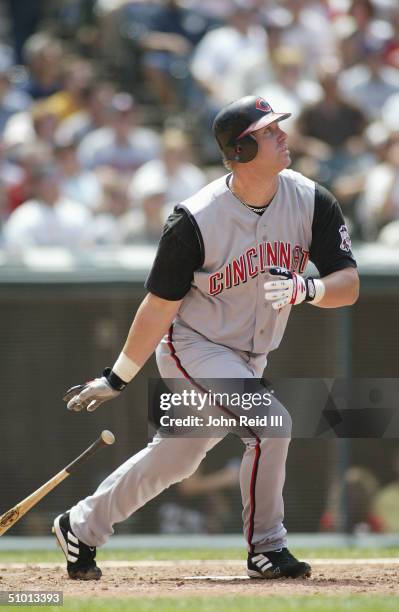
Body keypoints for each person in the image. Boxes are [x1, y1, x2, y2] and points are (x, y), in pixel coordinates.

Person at [53, 95, 359, 581]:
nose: (282, 135)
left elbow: (349, 284)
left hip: (249, 356)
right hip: (194, 346)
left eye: (279, 127)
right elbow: (158, 306)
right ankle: (267, 547)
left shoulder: (311, 199)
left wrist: (309, 288)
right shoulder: (196, 218)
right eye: (268, 131)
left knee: (178, 457)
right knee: (271, 424)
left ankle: (81, 526)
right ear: (239, 151)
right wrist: (116, 377)